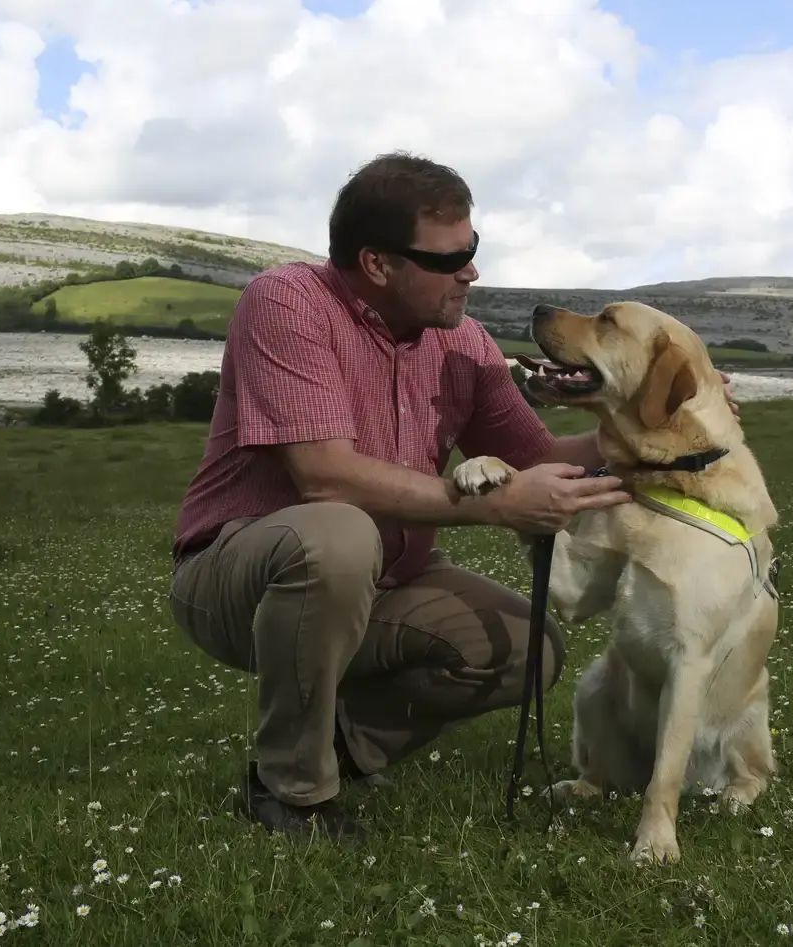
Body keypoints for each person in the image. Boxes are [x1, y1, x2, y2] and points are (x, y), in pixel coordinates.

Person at [168, 151, 737, 842]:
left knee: (527, 648)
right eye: (449, 258)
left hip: (380, 581)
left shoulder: (463, 341)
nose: (470, 269)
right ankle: (291, 789)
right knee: (338, 536)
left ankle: (344, 745)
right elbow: (325, 475)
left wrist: (670, 426)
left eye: (473, 248)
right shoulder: (287, 304)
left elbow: (544, 459)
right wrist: (492, 505)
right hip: (240, 575)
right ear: (377, 264)